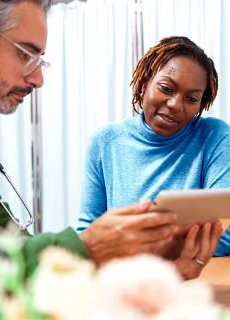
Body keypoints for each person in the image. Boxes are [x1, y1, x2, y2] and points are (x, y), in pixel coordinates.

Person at [0, 1, 187, 319]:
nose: (38, 79)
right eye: (26, 54)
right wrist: (86, 249)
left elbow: (13, 249)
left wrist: (140, 254)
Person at [78, 35, 228, 273]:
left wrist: (130, 244)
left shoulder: (215, 137)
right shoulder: (105, 142)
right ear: (146, 81)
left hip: (198, 279)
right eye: (166, 88)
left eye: (191, 99)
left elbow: (224, 234)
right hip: (123, 281)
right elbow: (87, 233)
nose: (176, 105)